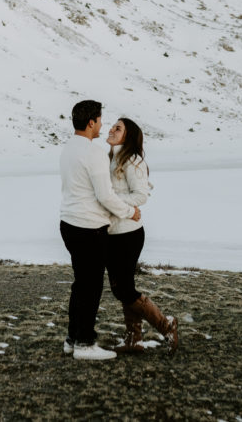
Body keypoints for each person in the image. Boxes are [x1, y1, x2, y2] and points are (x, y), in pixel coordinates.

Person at [59, 99, 141, 361]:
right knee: (91, 287)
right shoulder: (93, 152)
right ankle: (85, 344)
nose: (103, 125)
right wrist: (131, 212)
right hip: (89, 228)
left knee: (80, 284)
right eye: (101, 120)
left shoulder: (68, 148)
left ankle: (73, 339)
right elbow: (105, 196)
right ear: (91, 122)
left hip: (69, 223)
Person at [105, 117, 178, 353]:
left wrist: (110, 202)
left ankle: (166, 327)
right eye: (112, 126)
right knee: (122, 287)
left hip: (128, 234)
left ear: (129, 135)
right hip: (112, 232)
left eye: (118, 128)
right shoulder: (110, 158)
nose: (112, 129)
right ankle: (133, 340)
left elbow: (141, 196)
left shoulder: (132, 159)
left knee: (124, 289)